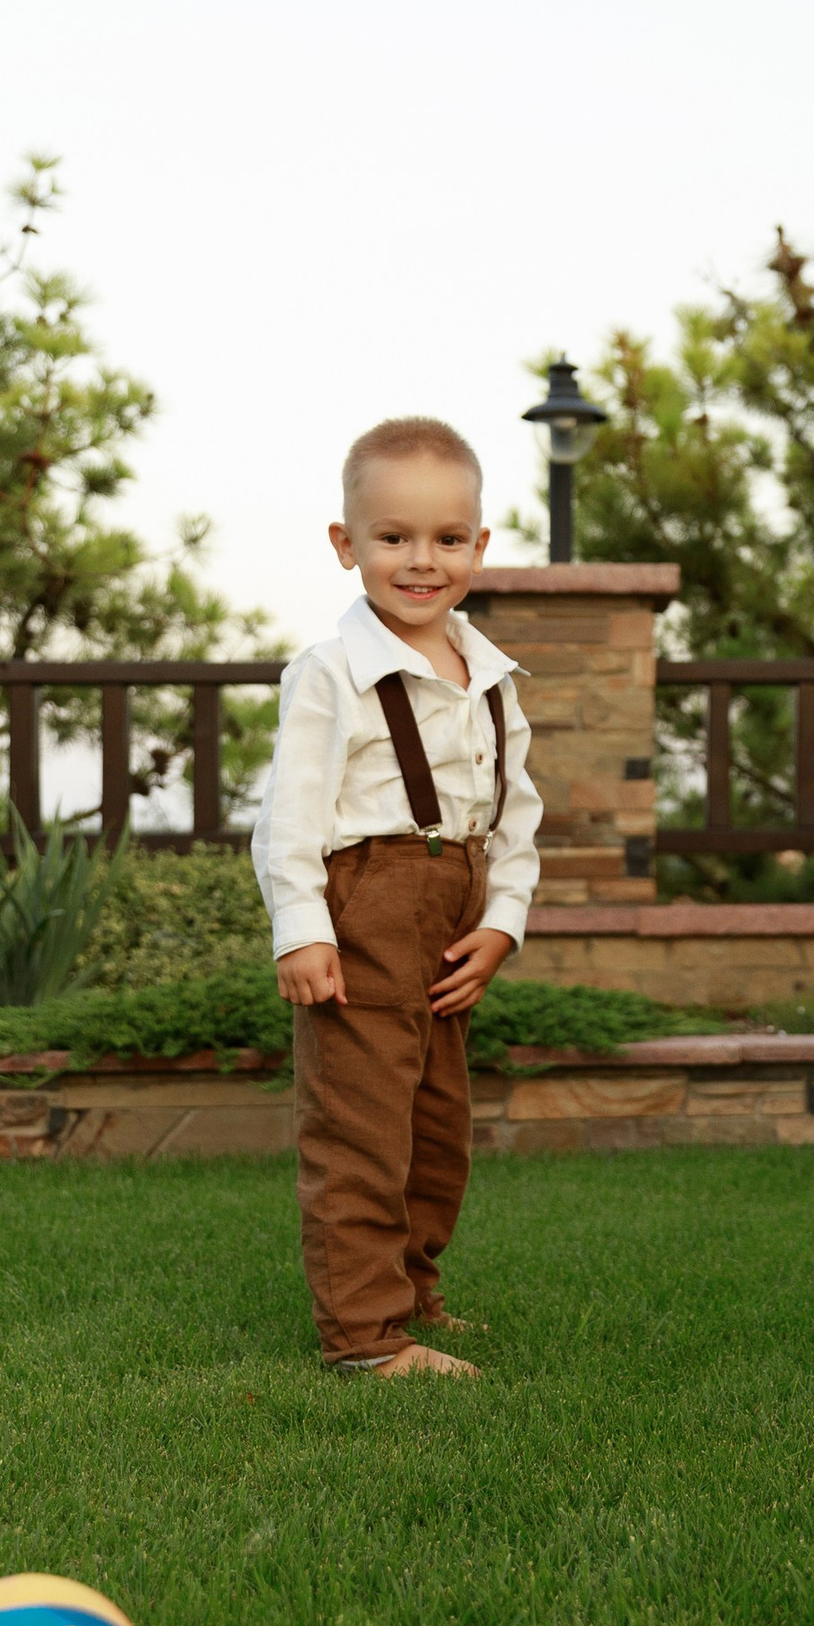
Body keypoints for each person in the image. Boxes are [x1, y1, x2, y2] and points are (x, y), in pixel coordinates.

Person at [252, 417, 542, 1379]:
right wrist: (303, 930)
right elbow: (290, 817)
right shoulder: (330, 673)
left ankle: (415, 1293)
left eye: (447, 538)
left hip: (451, 916)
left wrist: (501, 925)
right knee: (362, 1128)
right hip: (365, 912)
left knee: (435, 1128)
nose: (423, 560)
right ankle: (365, 1336)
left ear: (479, 546)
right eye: (394, 537)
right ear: (347, 545)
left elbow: (516, 816)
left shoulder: (491, 678)